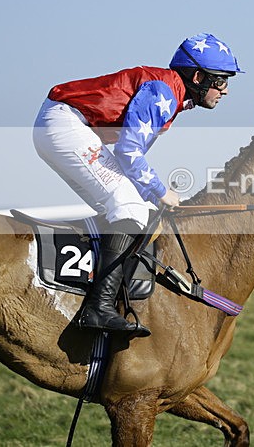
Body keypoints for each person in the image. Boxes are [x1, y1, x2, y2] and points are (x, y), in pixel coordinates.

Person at [33, 33, 242, 337]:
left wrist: (153, 196)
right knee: (129, 206)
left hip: (63, 124)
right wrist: (161, 192)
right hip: (64, 124)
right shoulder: (162, 93)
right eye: (221, 81)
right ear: (198, 77)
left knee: (132, 207)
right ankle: (98, 308)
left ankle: (95, 291)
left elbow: (131, 160)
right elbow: (129, 152)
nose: (225, 90)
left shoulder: (171, 94)